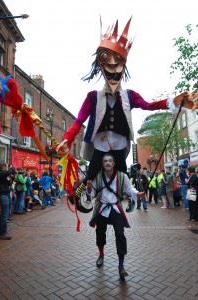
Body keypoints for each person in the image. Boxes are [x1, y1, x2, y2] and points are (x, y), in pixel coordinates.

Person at [56, 18, 197, 197]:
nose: (113, 70)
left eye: (118, 65)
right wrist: (67, 139)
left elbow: (148, 105)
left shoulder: (129, 95)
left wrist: (172, 102)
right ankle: (79, 194)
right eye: (108, 65)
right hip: (100, 145)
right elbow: (79, 121)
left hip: (119, 146)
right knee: (91, 174)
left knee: (122, 176)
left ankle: (129, 198)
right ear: (101, 68)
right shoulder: (93, 97)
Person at [87, 154, 144, 280]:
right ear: (102, 164)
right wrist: (89, 188)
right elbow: (91, 193)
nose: (108, 163)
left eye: (110, 161)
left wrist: (137, 193)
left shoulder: (122, 176)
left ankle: (121, 265)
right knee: (100, 233)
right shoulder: (97, 176)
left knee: (120, 234)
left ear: (113, 163)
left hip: (115, 208)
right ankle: (101, 254)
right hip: (102, 209)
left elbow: (130, 189)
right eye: (105, 161)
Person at [0, 163, 16, 240]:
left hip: (6, 192)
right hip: (2, 194)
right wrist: (11, 169)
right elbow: (7, 173)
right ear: (3, 167)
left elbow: (9, 183)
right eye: (6, 167)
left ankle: (2, 231)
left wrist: (11, 178)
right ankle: (2, 233)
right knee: (4, 213)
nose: (7, 169)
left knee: (6, 212)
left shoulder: (4, 175)